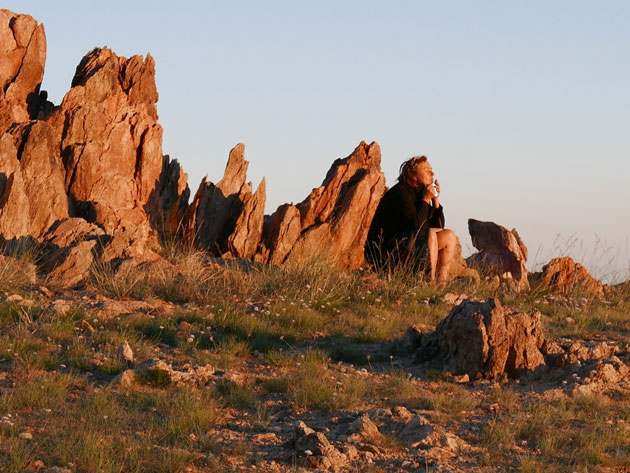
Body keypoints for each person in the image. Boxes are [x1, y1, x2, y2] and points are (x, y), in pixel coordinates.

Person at [365, 155, 459, 284]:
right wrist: (426, 199)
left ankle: (441, 283)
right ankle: (429, 282)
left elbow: (439, 225)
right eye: (426, 170)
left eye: (431, 169)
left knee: (449, 235)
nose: (432, 173)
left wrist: (435, 200)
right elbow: (415, 224)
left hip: (408, 246)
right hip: (386, 252)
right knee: (429, 234)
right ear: (414, 175)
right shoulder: (401, 192)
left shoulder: (421, 193)